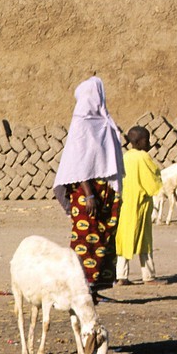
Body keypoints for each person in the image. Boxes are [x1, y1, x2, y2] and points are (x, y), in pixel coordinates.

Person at [53, 76, 124, 300]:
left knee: (104, 237)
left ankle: (95, 289)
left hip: (105, 191)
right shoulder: (81, 124)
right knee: (86, 239)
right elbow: (79, 162)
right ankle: (81, 289)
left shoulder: (103, 121)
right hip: (87, 193)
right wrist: (90, 194)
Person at [114, 126, 162, 285]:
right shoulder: (143, 157)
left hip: (125, 205)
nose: (149, 144)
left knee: (124, 240)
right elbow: (153, 183)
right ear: (140, 141)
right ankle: (148, 276)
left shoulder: (125, 157)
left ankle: (121, 276)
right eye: (147, 140)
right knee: (145, 240)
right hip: (140, 206)